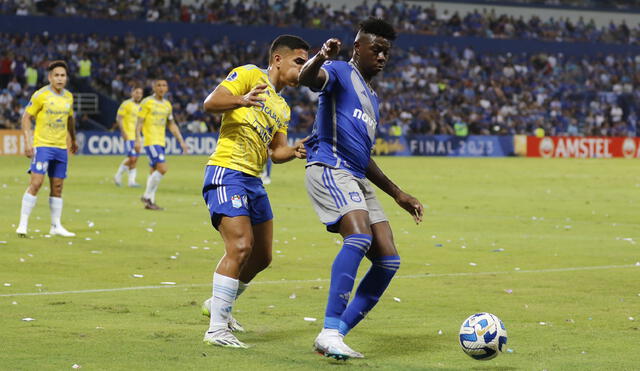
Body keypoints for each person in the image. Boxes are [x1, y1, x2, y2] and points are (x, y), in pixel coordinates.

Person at [298, 18, 424, 360]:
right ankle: (328, 328)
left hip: (356, 174)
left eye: (387, 52)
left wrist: (398, 193)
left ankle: (336, 334)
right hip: (330, 167)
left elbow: (363, 155)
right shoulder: (338, 71)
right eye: (376, 50)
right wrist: (321, 56)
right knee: (358, 236)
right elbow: (307, 79)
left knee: (388, 260)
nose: (382, 57)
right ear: (359, 48)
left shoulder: (372, 97)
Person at [200, 35, 309, 348]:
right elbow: (211, 103)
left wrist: (297, 149)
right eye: (298, 61)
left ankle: (216, 304)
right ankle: (217, 329)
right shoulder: (249, 75)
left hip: (253, 181)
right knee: (241, 245)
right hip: (227, 170)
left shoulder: (282, 107)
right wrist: (241, 99)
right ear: (277, 59)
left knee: (261, 256)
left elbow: (277, 152)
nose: (303, 69)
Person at [16, 60, 78, 237]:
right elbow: (26, 118)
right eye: (56, 75)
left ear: (66, 78)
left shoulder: (68, 97)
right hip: (43, 146)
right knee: (36, 183)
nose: (60, 78)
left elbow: (70, 120)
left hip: (60, 148)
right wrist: (28, 143)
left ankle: (55, 226)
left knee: (57, 187)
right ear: (50, 77)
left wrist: (73, 139)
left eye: (63, 75)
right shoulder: (40, 95)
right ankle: (23, 224)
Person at [135, 79, 189, 210]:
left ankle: (150, 202)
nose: (161, 87)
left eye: (164, 85)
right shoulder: (147, 102)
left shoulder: (167, 105)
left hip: (161, 141)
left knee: (153, 170)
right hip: (150, 141)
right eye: (158, 85)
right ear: (153, 87)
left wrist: (181, 141)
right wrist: (137, 139)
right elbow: (139, 123)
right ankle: (147, 196)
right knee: (162, 168)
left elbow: (171, 124)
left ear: (167, 88)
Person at [113, 86, 144, 187]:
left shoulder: (141, 107)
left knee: (135, 159)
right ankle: (118, 176)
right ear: (132, 93)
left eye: (140, 93)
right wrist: (123, 132)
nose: (138, 95)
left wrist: (139, 136)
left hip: (137, 136)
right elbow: (119, 118)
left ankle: (131, 182)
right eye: (136, 92)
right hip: (128, 135)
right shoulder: (126, 104)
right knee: (132, 158)